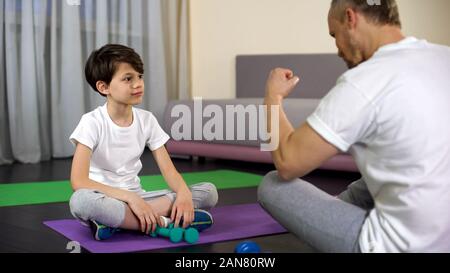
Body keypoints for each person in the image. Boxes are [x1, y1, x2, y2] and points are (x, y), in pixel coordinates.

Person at [258, 0, 450, 253]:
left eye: (334, 34)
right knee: (390, 165)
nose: (337, 48)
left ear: (350, 18)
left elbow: (287, 162)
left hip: (396, 247)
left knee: (272, 185)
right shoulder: (443, 56)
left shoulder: (364, 81)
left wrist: (273, 97)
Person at [69, 44, 218, 241]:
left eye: (140, 76)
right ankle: (164, 222)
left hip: (142, 199)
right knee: (80, 201)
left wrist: (183, 195)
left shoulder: (147, 120)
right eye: (128, 79)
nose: (138, 83)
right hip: (107, 199)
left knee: (208, 191)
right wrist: (131, 199)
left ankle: (123, 223)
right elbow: (79, 181)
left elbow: (169, 171)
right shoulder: (91, 122)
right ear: (104, 87)